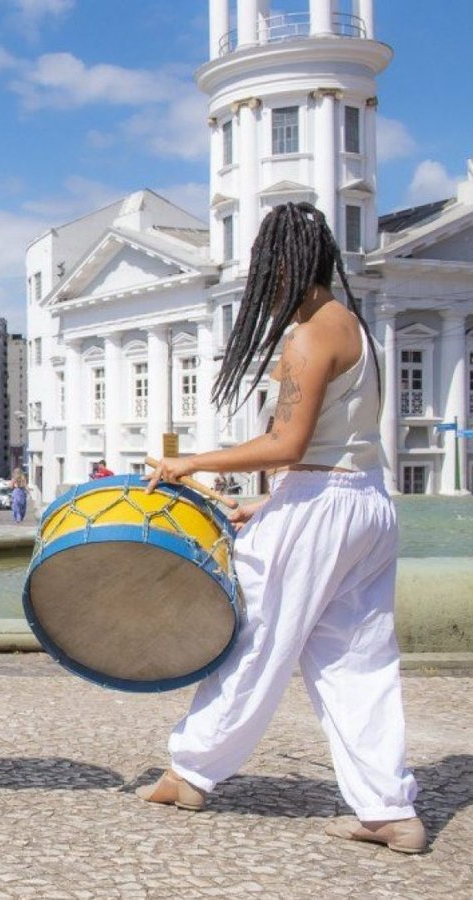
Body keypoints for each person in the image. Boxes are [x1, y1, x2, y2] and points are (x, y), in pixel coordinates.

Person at [143, 202, 424, 854]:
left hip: (322, 503)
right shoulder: (356, 328)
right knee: (358, 661)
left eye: (263, 270)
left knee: (255, 636)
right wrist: (269, 506)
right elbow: (339, 447)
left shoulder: (309, 335)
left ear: (281, 266)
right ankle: (387, 807)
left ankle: (191, 771)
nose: (260, 285)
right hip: (366, 505)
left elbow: (288, 443)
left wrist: (192, 461)